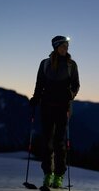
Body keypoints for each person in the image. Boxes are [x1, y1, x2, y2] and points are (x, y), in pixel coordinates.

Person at [29, 35, 80, 189]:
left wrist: (70, 94)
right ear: (56, 47)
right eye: (63, 46)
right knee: (47, 142)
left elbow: (76, 85)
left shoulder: (71, 65)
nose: (65, 49)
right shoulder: (45, 64)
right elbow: (40, 83)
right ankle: (47, 174)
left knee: (59, 142)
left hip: (63, 107)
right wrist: (36, 98)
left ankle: (59, 175)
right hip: (46, 106)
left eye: (66, 47)